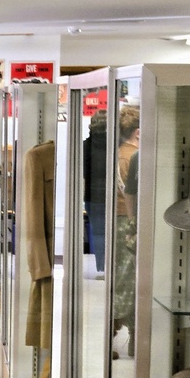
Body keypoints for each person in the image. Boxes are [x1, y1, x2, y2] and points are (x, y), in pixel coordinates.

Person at [113, 105, 139, 358]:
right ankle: (120, 333)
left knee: (126, 280)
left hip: (120, 219)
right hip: (127, 221)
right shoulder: (132, 156)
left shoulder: (119, 153)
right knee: (126, 281)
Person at [82, 109, 108, 278]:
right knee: (111, 232)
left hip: (91, 196)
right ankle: (110, 266)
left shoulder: (86, 145)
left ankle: (100, 265)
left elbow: (84, 172)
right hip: (110, 195)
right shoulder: (114, 146)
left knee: (97, 232)